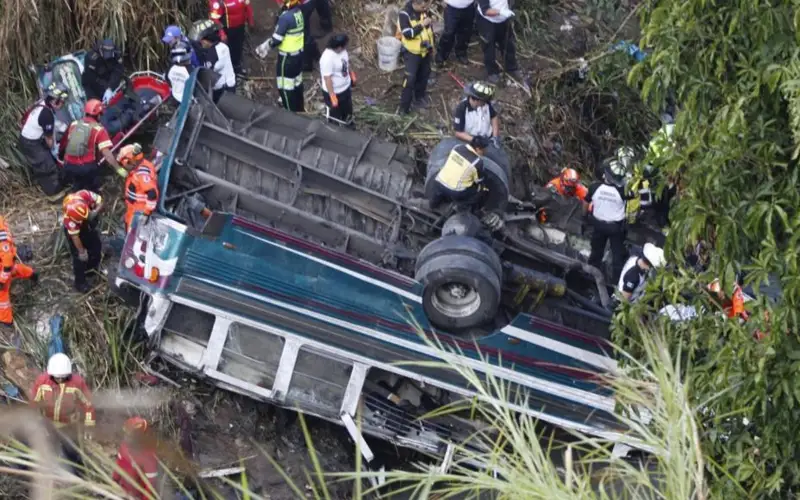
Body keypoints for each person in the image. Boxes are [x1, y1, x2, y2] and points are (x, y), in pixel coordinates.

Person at [31, 353, 95, 472]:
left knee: (72, 454)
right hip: (48, 424)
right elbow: (35, 403)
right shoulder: (42, 381)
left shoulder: (77, 383)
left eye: (63, 377)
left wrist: (89, 425)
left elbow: (88, 404)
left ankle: (79, 475)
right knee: (48, 450)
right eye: (57, 377)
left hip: (68, 426)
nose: (60, 380)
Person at [18, 82, 69, 199]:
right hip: (31, 144)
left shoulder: (41, 103)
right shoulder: (47, 114)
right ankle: (54, 195)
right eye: (62, 102)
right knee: (47, 166)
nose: (62, 105)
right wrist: (55, 151)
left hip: (26, 137)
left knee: (43, 163)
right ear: (56, 101)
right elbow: (50, 141)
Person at [62, 99, 126, 192]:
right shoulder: (98, 129)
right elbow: (107, 155)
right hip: (86, 168)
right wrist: (118, 168)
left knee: (77, 187)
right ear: (99, 115)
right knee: (92, 190)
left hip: (69, 166)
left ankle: (77, 200)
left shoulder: (74, 124)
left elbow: (68, 144)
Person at [255, 0, 306, 112]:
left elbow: (277, 39)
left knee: (285, 87)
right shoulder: (298, 12)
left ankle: (290, 114)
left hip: (287, 58)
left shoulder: (285, 18)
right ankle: (300, 109)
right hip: (298, 55)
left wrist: (265, 47)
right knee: (297, 83)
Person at [586, 161, 629, 280]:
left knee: (596, 253)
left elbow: (585, 202)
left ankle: (590, 276)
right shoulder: (623, 191)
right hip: (615, 227)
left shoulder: (594, 187)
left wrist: (585, 217)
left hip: (598, 224)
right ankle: (616, 282)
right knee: (617, 256)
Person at [430, 136, 490, 210]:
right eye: (484, 149)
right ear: (478, 149)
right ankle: (461, 206)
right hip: (455, 191)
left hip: (439, 182)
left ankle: (433, 205)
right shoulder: (477, 162)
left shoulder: (457, 147)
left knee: (440, 190)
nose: (485, 151)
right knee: (481, 190)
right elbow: (479, 181)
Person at [62, 190, 104, 293]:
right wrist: (82, 251)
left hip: (88, 226)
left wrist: (95, 212)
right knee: (79, 258)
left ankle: (91, 269)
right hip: (76, 232)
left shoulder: (84, 194)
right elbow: (75, 237)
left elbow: (101, 201)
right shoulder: (70, 220)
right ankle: (80, 283)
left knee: (96, 247)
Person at [398, 0, 435, 114]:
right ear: (415, 3)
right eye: (422, 5)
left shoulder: (424, 11)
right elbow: (408, 34)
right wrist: (421, 25)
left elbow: (429, 31)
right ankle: (404, 107)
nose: (425, 7)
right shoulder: (404, 14)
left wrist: (432, 47)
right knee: (410, 79)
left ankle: (419, 98)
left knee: (424, 75)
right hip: (412, 52)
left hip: (425, 51)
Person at [0, 216, 37, 330]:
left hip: (4, 263)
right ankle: (32, 274)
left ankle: (6, 321)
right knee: (15, 269)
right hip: (6, 259)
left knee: (2, 294)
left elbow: (7, 263)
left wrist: (1, 280)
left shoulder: (2, 240)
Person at [112, 417, 160, 499]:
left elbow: (150, 486)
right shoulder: (124, 447)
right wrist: (114, 482)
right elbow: (119, 467)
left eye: (130, 435)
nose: (126, 438)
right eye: (126, 434)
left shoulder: (148, 456)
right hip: (123, 491)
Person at [190, 19, 236, 103]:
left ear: (208, 40)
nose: (201, 44)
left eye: (202, 42)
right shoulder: (217, 48)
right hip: (219, 87)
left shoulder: (219, 50)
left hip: (225, 88)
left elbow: (209, 70)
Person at [119, 143, 159, 232]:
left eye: (124, 165)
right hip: (134, 208)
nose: (124, 168)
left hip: (139, 211)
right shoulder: (143, 165)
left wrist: (145, 214)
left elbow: (152, 194)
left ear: (130, 161)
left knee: (131, 236)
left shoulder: (141, 173)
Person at [476, 0, 518, 84]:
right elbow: (486, 11)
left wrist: (509, 9)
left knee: (508, 43)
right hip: (487, 20)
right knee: (489, 47)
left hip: (503, 19)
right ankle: (492, 72)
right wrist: (501, 12)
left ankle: (511, 67)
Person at [209, 0, 254, 75]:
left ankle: (237, 68)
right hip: (227, 30)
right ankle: (228, 72)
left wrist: (250, 21)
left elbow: (248, 7)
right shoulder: (218, 2)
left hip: (240, 27)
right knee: (228, 51)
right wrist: (222, 33)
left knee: (238, 48)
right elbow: (215, 19)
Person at [320, 34, 356, 126]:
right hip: (335, 92)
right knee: (334, 116)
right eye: (344, 46)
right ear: (338, 47)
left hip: (345, 89)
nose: (345, 48)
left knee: (348, 112)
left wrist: (351, 73)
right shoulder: (327, 58)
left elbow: (346, 62)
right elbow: (327, 78)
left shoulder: (342, 51)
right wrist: (332, 95)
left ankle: (349, 126)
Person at [452, 81, 499, 145]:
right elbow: (458, 133)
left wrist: (495, 136)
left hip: (488, 139)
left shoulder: (487, 104)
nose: (485, 103)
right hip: (469, 140)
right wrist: (474, 140)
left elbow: (494, 117)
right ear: (477, 100)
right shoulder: (462, 108)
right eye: (483, 102)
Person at [435, 0, 475, 67]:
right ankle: (441, 55)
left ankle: (461, 53)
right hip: (451, 7)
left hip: (469, 7)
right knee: (449, 32)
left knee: (465, 31)